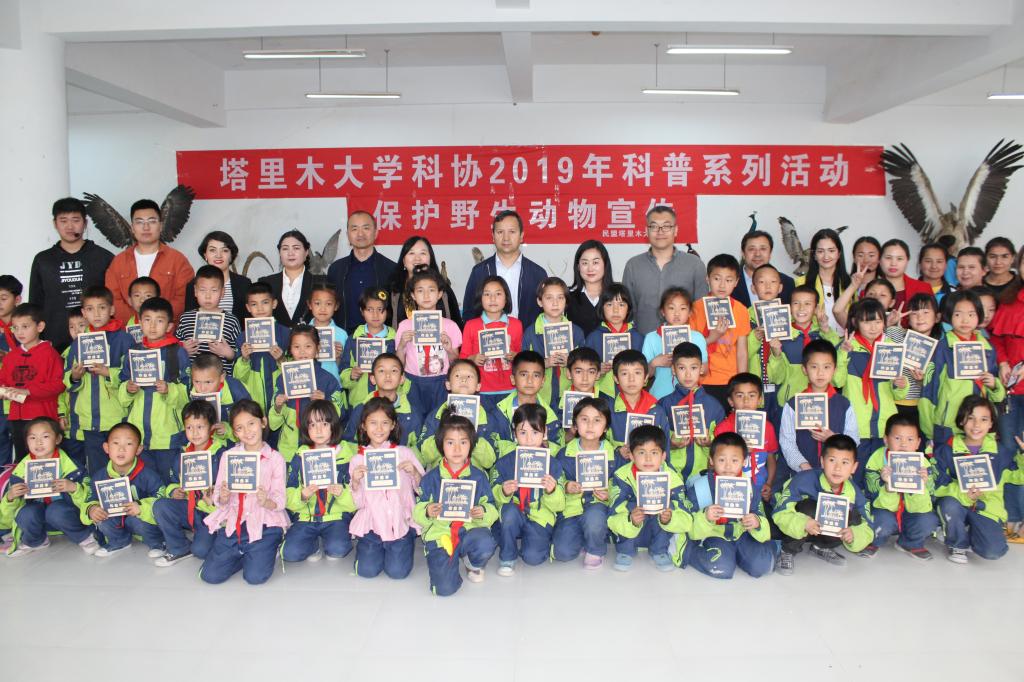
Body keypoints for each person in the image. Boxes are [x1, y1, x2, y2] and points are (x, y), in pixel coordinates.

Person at [200, 400, 289, 585]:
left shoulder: (275, 458)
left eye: (251, 424)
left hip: (265, 524)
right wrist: (223, 496)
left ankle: (267, 548)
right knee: (210, 576)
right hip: (235, 522)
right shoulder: (228, 456)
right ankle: (243, 554)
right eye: (240, 428)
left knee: (255, 577)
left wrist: (266, 501)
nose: (247, 431)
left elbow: (280, 498)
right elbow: (218, 494)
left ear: (263, 422)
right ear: (234, 432)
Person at [412, 413, 498, 596]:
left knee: (485, 542)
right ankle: (447, 564)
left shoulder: (479, 476)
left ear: (471, 444)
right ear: (441, 445)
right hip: (441, 534)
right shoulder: (430, 478)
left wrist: (483, 511)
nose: (457, 449)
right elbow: (417, 510)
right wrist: (427, 511)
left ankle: (471, 561)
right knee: (443, 589)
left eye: (463, 442)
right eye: (450, 442)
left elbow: (492, 507)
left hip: (469, 530)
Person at [772, 434, 874, 575]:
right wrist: (803, 523)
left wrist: (854, 535)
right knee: (809, 508)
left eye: (845, 463)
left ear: (854, 467)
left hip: (820, 530)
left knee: (852, 515)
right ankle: (787, 550)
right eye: (832, 460)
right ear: (822, 461)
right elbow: (780, 512)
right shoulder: (803, 480)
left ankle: (821, 546)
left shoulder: (854, 492)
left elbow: (868, 524)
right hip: (796, 527)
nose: (837, 468)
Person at [835, 298, 910, 484]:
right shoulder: (847, 345)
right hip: (856, 425)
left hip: (885, 425)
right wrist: (843, 353)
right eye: (867, 322)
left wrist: (901, 384)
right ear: (855, 322)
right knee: (855, 477)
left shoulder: (890, 347)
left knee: (882, 478)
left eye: (878, 321)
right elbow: (837, 381)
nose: (873, 327)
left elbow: (898, 394)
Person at [349, 397, 425, 579]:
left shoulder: (405, 453)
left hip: (400, 522)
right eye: (373, 423)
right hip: (372, 526)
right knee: (366, 571)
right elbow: (357, 503)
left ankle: (404, 542)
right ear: (363, 426)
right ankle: (370, 547)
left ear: (393, 425)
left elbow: (424, 491)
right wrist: (356, 483)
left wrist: (415, 473)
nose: (379, 428)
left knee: (398, 572)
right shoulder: (358, 460)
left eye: (385, 423)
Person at [117, 297, 191, 483]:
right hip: (138, 433)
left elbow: (189, 390)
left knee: (169, 481)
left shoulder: (177, 352)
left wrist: (169, 389)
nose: (152, 326)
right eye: (147, 320)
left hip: (168, 433)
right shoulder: (133, 352)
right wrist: (128, 389)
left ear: (169, 326)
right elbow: (121, 391)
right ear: (140, 323)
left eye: (159, 321)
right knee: (143, 481)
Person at [682, 432, 775, 579]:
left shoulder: (749, 487)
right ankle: (687, 552)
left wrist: (757, 522)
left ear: (744, 461)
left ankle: (737, 554)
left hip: (742, 534)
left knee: (762, 566)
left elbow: (760, 516)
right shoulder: (699, 487)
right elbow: (689, 527)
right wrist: (705, 517)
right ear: (711, 460)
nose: (728, 466)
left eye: (734, 460)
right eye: (721, 460)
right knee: (721, 568)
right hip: (714, 535)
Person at [0, 417, 96, 557]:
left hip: (66, 516)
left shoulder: (72, 466)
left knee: (55, 510)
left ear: (57, 439)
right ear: (26, 441)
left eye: (45, 436)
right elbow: (7, 516)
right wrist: (10, 498)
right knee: (26, 513)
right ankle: (36, 541)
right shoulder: (20, 471)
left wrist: (74, 488)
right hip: (40, 521)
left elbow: (91, 498)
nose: (38, 442)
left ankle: (84, 536)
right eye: (32, 438)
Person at [932, 396, 1012, 563]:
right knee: (949, 505)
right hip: (957, 503)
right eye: (971, 418)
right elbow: (937, 485)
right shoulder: (947, 449)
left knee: (993, 552)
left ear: (991, 424)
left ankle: (970, 531)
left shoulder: (1000, 452)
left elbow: (1017, 476)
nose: (976, 425)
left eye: (984, 419)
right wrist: (964, 494)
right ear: (962, 420)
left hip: (985, 507)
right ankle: (957, 543)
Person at [151, 399, 230, 566]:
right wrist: (174, 491)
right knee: (161, 506)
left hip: (212, 512)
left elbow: (229, 487)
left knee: (201, 551)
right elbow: (173, 480)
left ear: (211, 427)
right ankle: (179, 547)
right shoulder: (182, 454)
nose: (194, 433)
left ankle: (220, 533)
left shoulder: (221, 454)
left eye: (200, 427)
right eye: (189, 427)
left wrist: (215, 493)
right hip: (191, 508)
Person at [921, 289, 1005, 445]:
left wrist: (995, 386)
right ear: (949, 316)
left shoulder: (987, 348)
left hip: (978, 427)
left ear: (979, 316)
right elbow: (929, 390)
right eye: (958, 314)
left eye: (971, 314)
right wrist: (929, 431)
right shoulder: (942, 348)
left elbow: (997, 397)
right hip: (947, 425)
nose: (965, 320)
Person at [62, 285, 132, 473]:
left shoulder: (124, 339)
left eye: (102, 308)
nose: (97, 314)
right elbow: (66, 379)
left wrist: (109, 373)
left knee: (122, 466)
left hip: (117, 415)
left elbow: (132, 377)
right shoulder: (79, 342)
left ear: (112, 310)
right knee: (97, 470)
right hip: (89, 419)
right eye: (90, 309)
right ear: (84, 313)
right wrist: (75, 377)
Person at [29, 197, 114, 351]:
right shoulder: (43, 260)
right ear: (55, 224)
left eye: (75, 220)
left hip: (99, 341)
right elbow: (35, 304)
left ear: (85, 223)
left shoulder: (103, 257)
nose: (69, 226)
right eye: (63, 220)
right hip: (53, 341)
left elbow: (113, 300)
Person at [492, 403, 564, 577]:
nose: (529, 439)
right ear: (514, 433)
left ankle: (540, 541)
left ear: (545, 432)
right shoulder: (505, 462)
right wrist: (503, 492)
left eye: (535, 432)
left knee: (532, 558)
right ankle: (507, 557)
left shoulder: (553, 464)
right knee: (508, 512)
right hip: (515, 513)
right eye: (523, 433)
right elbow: (492, 494)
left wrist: (552, 491)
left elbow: (560, 505)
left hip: (540, 516)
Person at [607, 424, 692, 571]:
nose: (648, 458)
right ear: (631, 455)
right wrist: (631, 519)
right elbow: (612, 517)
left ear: (663, 456)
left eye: (654, 452)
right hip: (632, 533)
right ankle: (625, 550)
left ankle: (659, 550)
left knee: (669, 506)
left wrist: (669, 519)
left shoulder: (673, 478)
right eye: (641, 452)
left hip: (657, 531)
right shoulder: (621, 477)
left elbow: (686, 520)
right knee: (630, 506)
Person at [282, 399, 356, 564]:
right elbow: (287, 491)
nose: (319, 430)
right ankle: (313, 545)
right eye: (313, 425)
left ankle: (332, 539)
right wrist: (301, 495)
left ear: (333, 425)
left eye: (324, 424)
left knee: (338, 549)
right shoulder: (300, 455)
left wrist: (342, 493)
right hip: (305, 516)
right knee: (289, 553)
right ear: (306, 428)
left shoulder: (346, 455)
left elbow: (357, 497)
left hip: (337, 516)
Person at [83, 422, 167, 559]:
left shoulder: (148, 474)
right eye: (116, 443)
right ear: (106, 447)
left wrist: (141, 507)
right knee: (101, 518)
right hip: (115, 519)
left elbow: (162, 498)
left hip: (140, 520)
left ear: (138, 449)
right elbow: (90, 498)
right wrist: (92, 509)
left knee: (135, 521)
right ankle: (119, 541)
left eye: (128, 444)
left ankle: (157, 542)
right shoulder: (99, 476)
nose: (121, 449)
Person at [860, 414, 938, 561]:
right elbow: (872, 499)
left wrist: (920, 486)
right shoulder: (875, 461)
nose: (903, 444)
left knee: (929, 520)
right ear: (886, 440)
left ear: (918, 443)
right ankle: (873, 541)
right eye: (897, 438)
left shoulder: (924, 465)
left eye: (910, 439)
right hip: (884, 512)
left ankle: (910, 543)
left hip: (911, 512)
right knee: (882, 521)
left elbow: (925, 506)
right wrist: (888, 487)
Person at [622, 205, 709, 336]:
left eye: (666, 226)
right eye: (654, 226)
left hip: (684, 343)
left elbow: (700, 311)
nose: (660, 231)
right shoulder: (633, 266)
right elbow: (627, 312)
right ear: (647, 231)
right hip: (643, 344)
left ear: (676, 230)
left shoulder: (695, 264)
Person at [105, 198, 195, 324]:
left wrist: (156, 321)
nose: (146, 227)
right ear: (132, 228)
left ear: (161, 226)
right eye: (139, 222)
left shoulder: (178, 260)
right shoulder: (118, 262)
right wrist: (136, 323)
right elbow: (113, 299)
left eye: (152, 221)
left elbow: (183, 298)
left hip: (167, 332)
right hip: (128, 332)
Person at [778, 340, 860, 475]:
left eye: (826, 367)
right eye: (814, 367)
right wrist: (804, 467)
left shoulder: (844, 404)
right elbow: (787, 442)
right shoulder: (793, 405)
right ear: (804, 369)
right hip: (803, 474)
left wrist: (833, 438)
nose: (820, 373)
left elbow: (854, 439)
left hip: (836, 475)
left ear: (834, 370)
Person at [552, 397, 615, 568]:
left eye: (597, 420)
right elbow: (557, 480)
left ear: (606, 427)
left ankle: (595, 549)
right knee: (562, 553)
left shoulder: (613, 455)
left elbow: (620, 483)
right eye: (584, 419)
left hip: (597, 504)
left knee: (594, 519)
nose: (590, 425)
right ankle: (583, 538)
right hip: (571, 508)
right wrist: (566, 486)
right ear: (575, 425)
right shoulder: (564, 453)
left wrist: (609, 493)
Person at [268, 325, 345, 462]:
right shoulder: (282, 378)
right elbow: (273, 424)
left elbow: (339, 416)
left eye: (308, 346)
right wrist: (278, 407)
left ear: (318, 349)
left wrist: (326, 401)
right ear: (290, 350)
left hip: (319, 449)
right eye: (296, 347)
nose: (302, 352)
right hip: (289, 451)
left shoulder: (328, 380)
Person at [0, 303, 65, 462]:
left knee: (45, 459)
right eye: (15, 328)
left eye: (25, 327)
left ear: (40, 326)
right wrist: (3, 391)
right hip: (16, 417)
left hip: (43, 416)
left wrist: (29, 391)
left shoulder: (50, 354)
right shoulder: (11, 356)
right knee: (22, 460)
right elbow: (3, 381)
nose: (19, 332)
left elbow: (59, 385)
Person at [395, 268, 462, 419]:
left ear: (439, 294)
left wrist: (449, 349)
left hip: (441, 382)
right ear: (413, 295)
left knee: (440, 420)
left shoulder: (450, 326)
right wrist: (401, 345)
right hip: (412, 381)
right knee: (413, 419)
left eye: (431, 290)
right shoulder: (405, 325)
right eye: (420, 291)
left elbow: (455, 362)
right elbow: (399, 363)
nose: (426, 295)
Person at [656, 342, 726, 481]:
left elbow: (724, 442)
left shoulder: (714, 406)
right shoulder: (664, 404)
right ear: (673, 370)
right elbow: (655, 440)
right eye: (682, 368)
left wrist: (710, 442)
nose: (688, 374)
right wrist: (671, 444)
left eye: (693, 368)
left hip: (703, 473)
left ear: (701, 369)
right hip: (672, 472)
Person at [462, 210, 547, 323]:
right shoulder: (479, 272)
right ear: (493, 236)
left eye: (512, 232)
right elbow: (469, 313)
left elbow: (545, 313)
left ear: (521, 236)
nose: (506, 238)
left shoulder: (537, 274)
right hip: (487, 333)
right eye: (500, 232)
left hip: (527, 334)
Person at [689, 253, 751, 407]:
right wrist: (714, 336)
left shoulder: (741, 310)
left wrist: (742, 381)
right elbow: (690, 348)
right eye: (717, 279)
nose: (722, 285)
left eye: (728, 280)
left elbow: (742, 351)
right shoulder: (695, 309)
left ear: (736, 282)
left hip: (730, 380)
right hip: (702, 379)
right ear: (707, 279)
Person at [326, 211, 398, 334]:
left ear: (376, 233)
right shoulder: (336, 269)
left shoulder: (391, 269)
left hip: (380, 340)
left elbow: (396, 311)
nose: (360, 233)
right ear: (348, 235)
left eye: (366, 228)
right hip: (344, 339)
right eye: (354, 229)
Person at [521, 277, 586, 408]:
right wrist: (544, 363)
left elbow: (585, 365)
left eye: (560, 298)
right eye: (549, 298)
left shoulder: (576, 332)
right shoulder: (530, 332)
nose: (555, 303)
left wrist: (571, 362)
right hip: (539, 396)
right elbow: (523, 367)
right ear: (540, 301)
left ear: (566, 301)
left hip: (569, 395)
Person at [714, 373, 779, 502]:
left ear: (760, 399)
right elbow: (714, 464)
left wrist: (769, 484)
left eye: (752, 395)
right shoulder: (723, 428)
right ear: (731, 401)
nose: (746, 401)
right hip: (731, 492)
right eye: (740, 396)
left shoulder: (767, 427)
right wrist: (742, 451)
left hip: (759, 489)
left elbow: (771, 457)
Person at [460, 276, 522, 410]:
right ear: (480, 298)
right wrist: (473, 358)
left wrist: (515, 356)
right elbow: (463, 358)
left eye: (498, 294)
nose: (492, 299)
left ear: (506, 298)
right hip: (481, 389)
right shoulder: (471, 325)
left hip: (511, 389)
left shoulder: (516, 324)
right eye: (487, 294)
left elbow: (522, 357)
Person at [233, 282, 291, 417]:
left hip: (280, 398)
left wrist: (281, 359)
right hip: (253, 400)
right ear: (248, 307)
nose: (260, 308)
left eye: (265, 302)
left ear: (274, 303)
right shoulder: (243, 337)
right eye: (254, 304)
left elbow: (295, 372)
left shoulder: (286, 334)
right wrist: (244, 359)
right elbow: (238, 377)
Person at [642, 287, 707, 400]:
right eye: (671, 308)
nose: (677, 313)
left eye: (683, 308)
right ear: (663, 311)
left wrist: (688, 362)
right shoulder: (651, 338)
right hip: (660, 395)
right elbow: (645, 374)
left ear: (690, 312)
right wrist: (654, 363)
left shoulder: (697, 337)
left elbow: (704, 370)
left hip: (690, 396)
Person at [175, 265, 241, 374]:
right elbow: (173, 349)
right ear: (195, 291)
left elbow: (241, 355)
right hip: (192, 380)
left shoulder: (231, 321)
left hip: (222, 380)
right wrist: (183, 350)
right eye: (202, 290)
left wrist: (229, 353)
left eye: (214, 290)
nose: (208, 296)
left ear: (222, 292)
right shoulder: (186, 318)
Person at [583, 283, 645, 398]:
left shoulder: (638, 338)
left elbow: (644, 371)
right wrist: (596, 370)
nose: (615, 310)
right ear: (602, 307)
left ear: (628, 309)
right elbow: (585, 369)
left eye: (621, 305)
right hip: (602, 394)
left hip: (632, 395)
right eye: (609, 304)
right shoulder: (594, 337)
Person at [339, 287, 397, 408]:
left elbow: (401, 372)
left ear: (387, 311)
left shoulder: (394, 339)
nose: (375, 315)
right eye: (370, 310)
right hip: (359, 402)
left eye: (380, 309)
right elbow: (343, 372)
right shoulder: (353, 339)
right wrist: (351, 375)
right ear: (362, 311)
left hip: (387, 401)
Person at [386, 236, 461, 329]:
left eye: (423, 253)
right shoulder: (393, 288)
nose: (417, 258)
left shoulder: (443, 287)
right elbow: (384, 326)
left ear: (430, 259)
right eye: (411, 253)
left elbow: (457, 323)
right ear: (404, 261)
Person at [259, 230, 323, 327]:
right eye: (285, 249)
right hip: (276, 336)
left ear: (306, 252)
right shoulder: (266, 283)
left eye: (296, 248)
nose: (290, 253)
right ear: (279, 253)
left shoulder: (320, 283)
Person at [184, 231, 251, 322]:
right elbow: (189, 320)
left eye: (225, 250)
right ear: (205, 255)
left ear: (231, 256)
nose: (218, 255)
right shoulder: (193, 285)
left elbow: (248, 320)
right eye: (212, 250)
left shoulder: (244, 283)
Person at [796, 228, 850, 333]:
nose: (826, 256)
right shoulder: (801, 283)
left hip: (846, 341)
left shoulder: (849, 284)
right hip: (814, 341)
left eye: (831, 251)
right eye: (820, 251)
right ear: (814, 255)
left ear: (839, 253)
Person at [733, 229, 795, 307]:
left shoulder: (787, 282)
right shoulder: (729, 282)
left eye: (763, 249)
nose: (757, 254)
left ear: (770, 253)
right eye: (752, 249)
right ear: (743, 254)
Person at [877, 239, 933, 324]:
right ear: (880, 260)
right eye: (888, 258)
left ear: (907, 260)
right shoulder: (870, 291)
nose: (893, 263)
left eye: (899, 259)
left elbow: (930, 320)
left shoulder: (923, 288)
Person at [565, 240, 613, 336]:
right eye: (585, 263)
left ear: (605, 264)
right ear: (578, 267)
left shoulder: (616, 296)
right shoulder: (567, 297)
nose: (590, 268)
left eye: (595, 262)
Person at [306, 282, 349, 381]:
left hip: (333, 384)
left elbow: (345, 369)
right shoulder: (302, 333)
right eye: (317, 303)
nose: (323, 309)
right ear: (310, 305)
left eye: (328, 304)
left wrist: (338, 357)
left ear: (336, 306)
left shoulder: (342, 334)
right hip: (310, 383)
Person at [0, 275, 21, 464]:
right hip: (1, 395)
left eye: (3, 298)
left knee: (22, 441)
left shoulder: (26, 327)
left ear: (17, 299)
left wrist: (9, 358)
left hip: (22, 393)